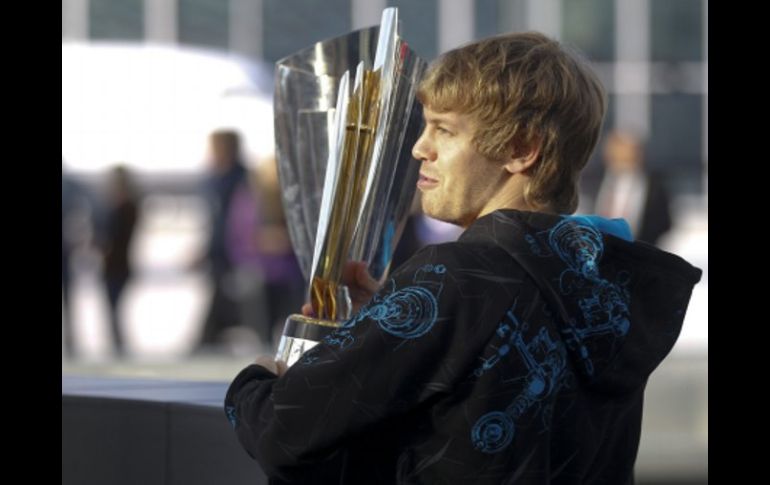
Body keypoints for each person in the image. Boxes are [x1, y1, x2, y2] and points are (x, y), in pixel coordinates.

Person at [225, 32, 702, 484]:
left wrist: (260, 379)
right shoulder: (611, 286)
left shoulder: (453, 280)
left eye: (444, 130)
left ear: (521, 149)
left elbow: (283, 433)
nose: (419, 148)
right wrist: (388, 318)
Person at [594, 130, 673, 246]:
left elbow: (664, 223)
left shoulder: (654, 186)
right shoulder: (594, 182)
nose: (621, 156)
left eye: (627, 152)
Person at [97, 165, 140, 357]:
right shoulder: (118, 206)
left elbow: (117, 238)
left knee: (115, 310)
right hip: (112, 266)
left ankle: (119, 349)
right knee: (112, 311)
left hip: (118, 266)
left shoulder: (127, 207)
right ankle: (117, 347)